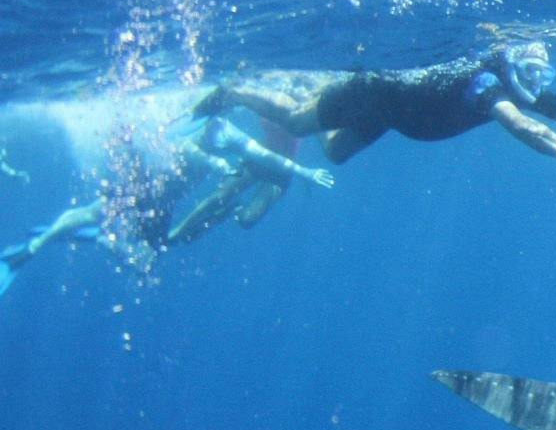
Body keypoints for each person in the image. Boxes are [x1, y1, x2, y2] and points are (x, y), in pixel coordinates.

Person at [194, 41, 556, 185]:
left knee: (336, 155)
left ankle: (315, 89)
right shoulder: (489, 87)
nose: (536, 85)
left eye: (542, 77)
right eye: (530, 73)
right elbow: (524, 128)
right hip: (375, 91)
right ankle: (237, 91)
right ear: (511, 63)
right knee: (298, 122)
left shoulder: (520, 89)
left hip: (394, 114)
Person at [0, 113, 333, 294]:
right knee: (96, 211)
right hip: (146, 185)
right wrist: (217, 165)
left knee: (149, 259)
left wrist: (305, 172)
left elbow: (262, 155)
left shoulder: (226, 132)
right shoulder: (193, 135)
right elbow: (192, 153)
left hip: (165, 201)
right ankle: (34, 247)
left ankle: (102, 239)